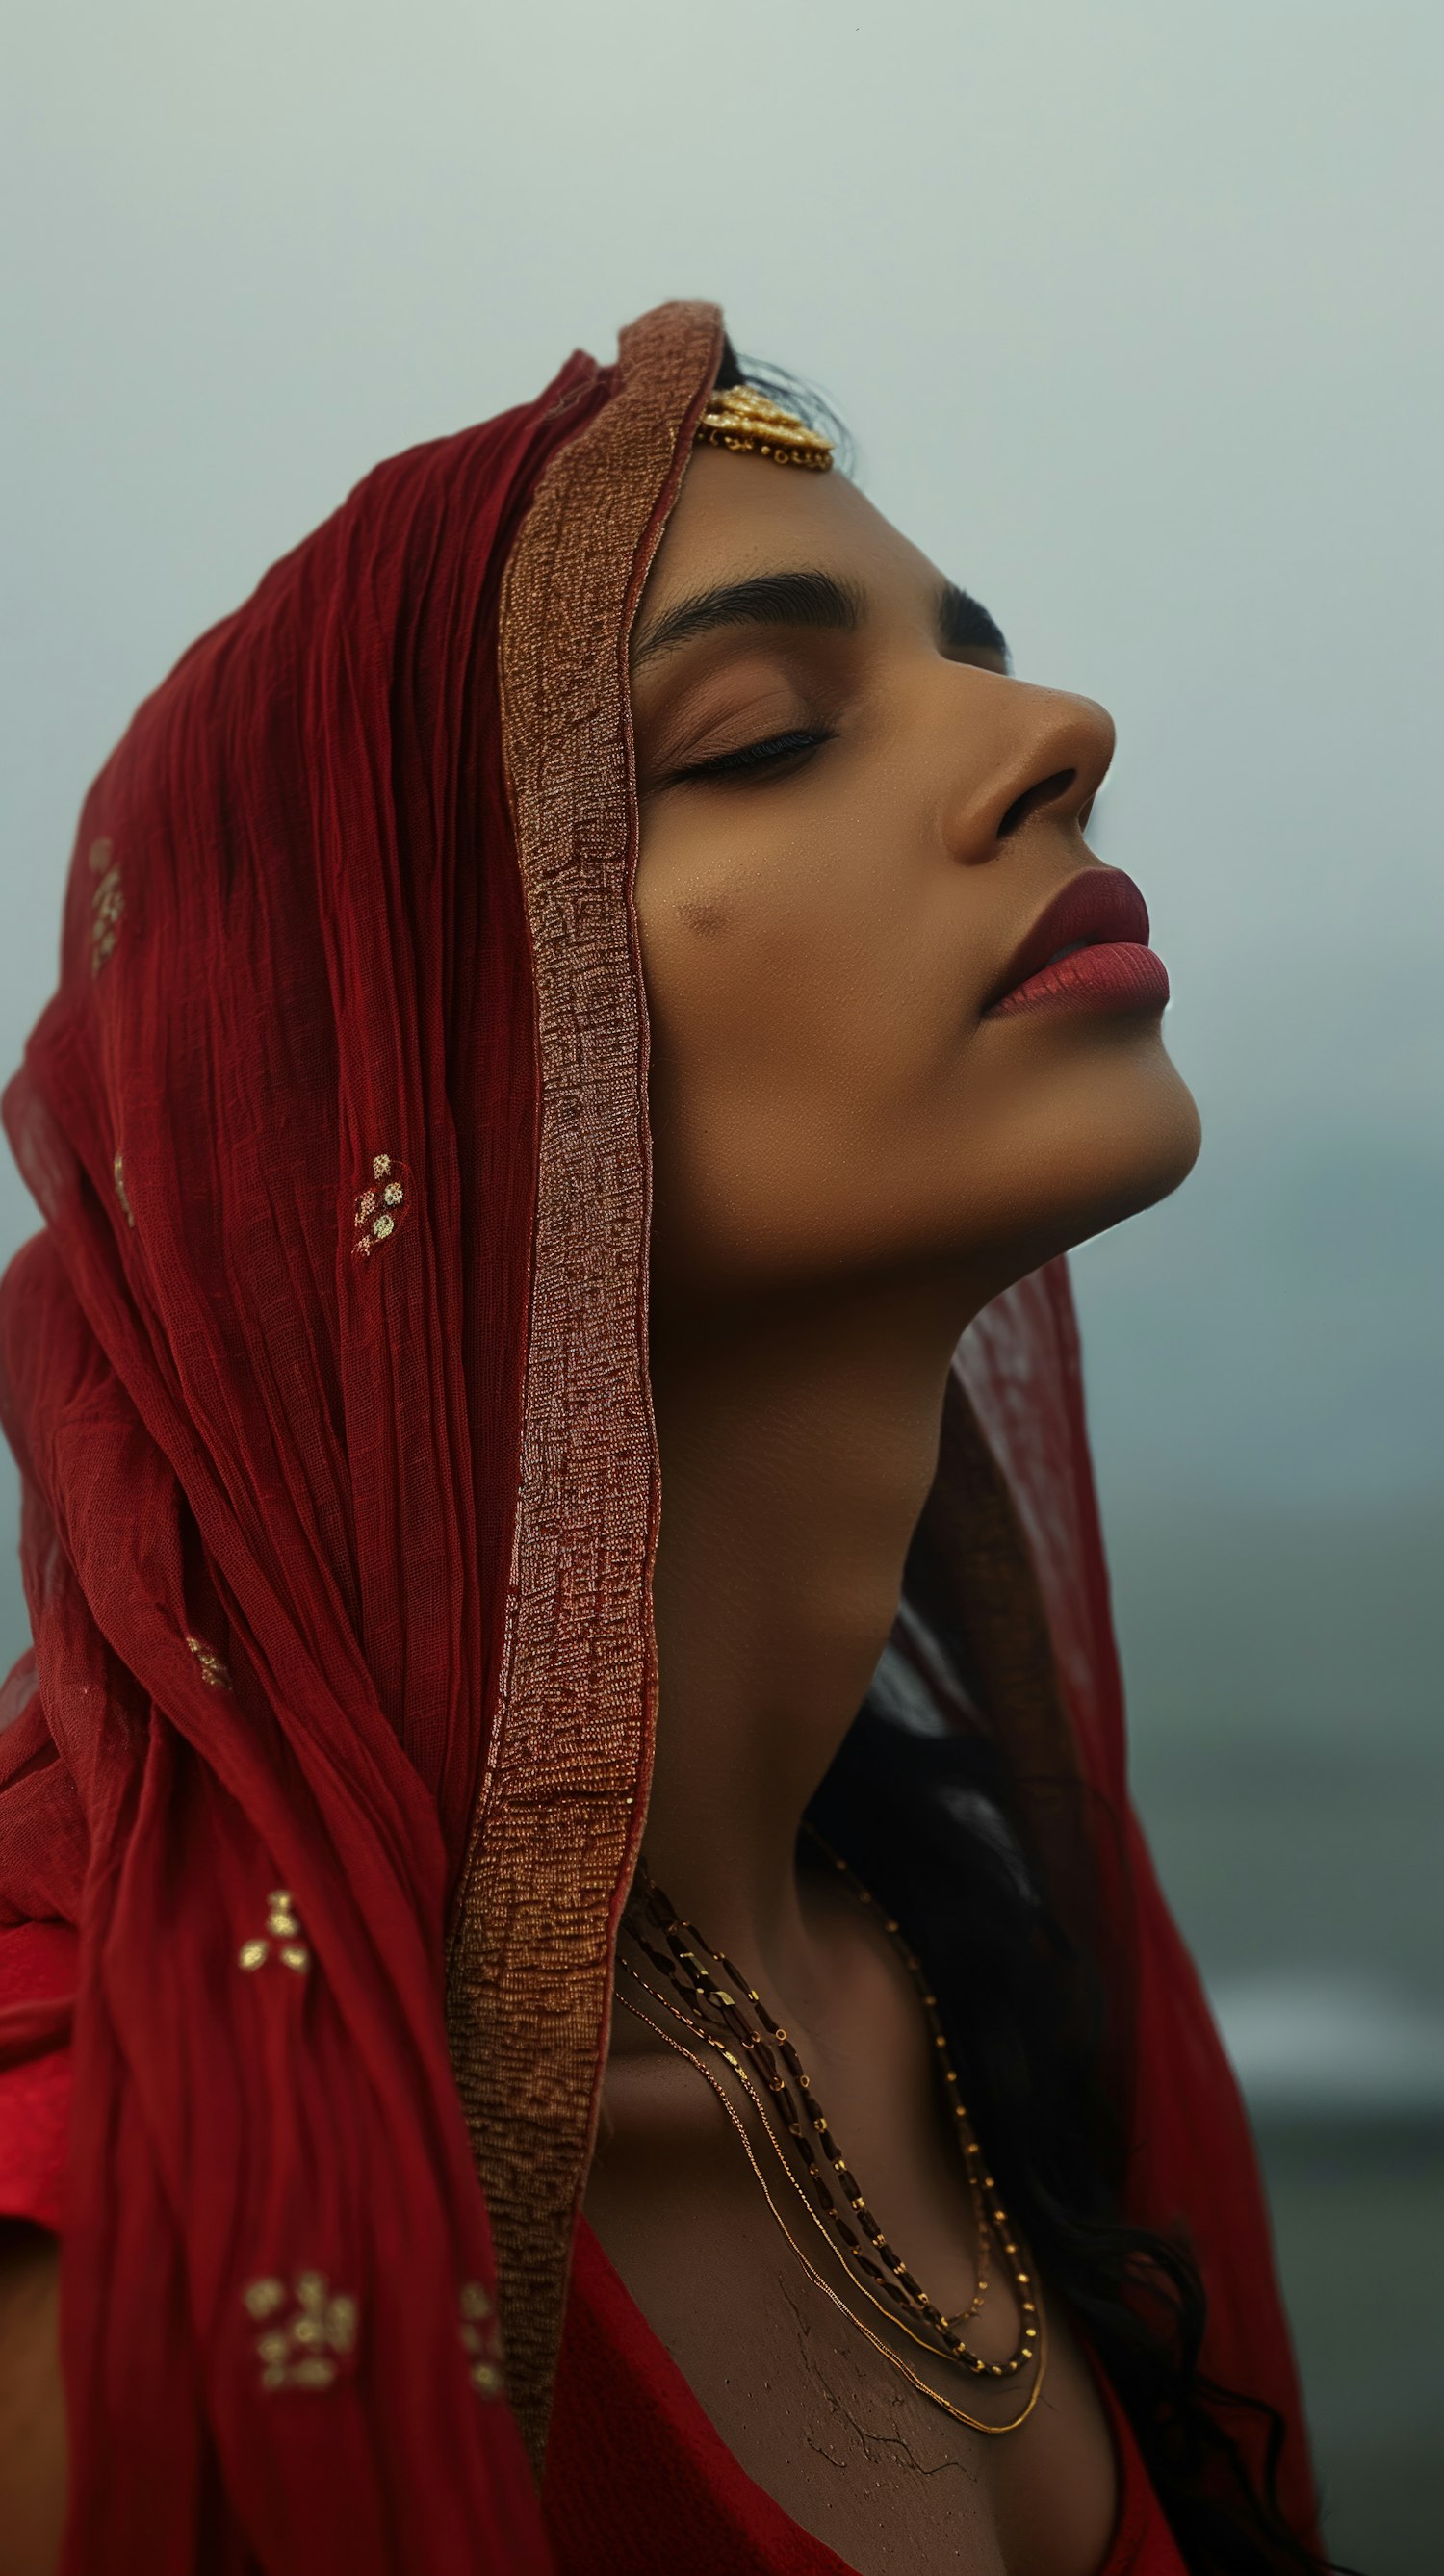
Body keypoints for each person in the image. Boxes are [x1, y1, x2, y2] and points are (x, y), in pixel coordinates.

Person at [0, 301, 1332, 2574]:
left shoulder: (970, 1968)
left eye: (978, 655)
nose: (1059, 732)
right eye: (761, 737)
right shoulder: (123, 2224)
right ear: (399, 1097)